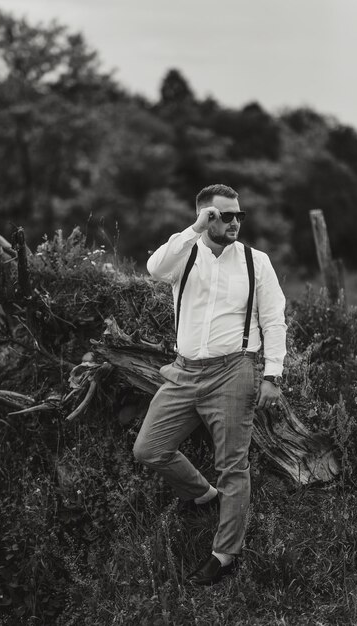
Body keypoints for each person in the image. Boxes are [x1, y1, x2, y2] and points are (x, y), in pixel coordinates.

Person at [133, 183, 287, 585]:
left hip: (234, 370)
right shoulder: (185, 255)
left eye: (239, 215)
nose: (235, 222)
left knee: (233, 466)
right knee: (149, 448)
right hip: (183, 372)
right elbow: (153, 269)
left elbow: (274, 320)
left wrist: (272, 375)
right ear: (207, 216)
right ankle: (203, 495)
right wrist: (193, 229)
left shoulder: (257, 262)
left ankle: (224, 554)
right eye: (225, 215)